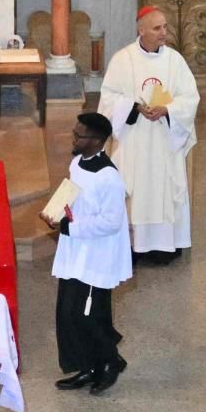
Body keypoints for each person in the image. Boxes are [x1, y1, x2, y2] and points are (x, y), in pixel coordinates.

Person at [97, 5, 200, 261]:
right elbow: (108, 98)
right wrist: (133, 107)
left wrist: (168, 110)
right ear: (141, 30)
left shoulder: (174, 61)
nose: (164, 33)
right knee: (136, 189)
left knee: (165, 188)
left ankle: (166, 245)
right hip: (135, 140)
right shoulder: (123, 59)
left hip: (165, 141)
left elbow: (190, 97)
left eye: (165, 27)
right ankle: (133, 245)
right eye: (157, 28)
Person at [51, 110, 131, 393]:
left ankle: (108, 363)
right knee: (68, 312)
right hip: (75, 251)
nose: (73, 138)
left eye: (78, 135)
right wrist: (55, 210)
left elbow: (111, 222)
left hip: (96, 255)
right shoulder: (77, 162)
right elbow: (71, 192)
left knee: (88, 314)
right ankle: (86, 366)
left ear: (96, 141)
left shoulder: (109, 178)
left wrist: (72, 228)